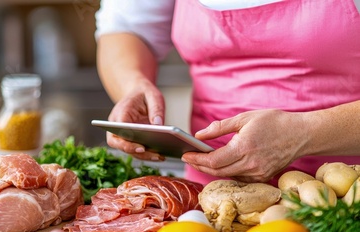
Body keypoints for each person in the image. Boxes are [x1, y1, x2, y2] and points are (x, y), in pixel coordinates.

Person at [95, 0, 360, 185]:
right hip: (211, 198)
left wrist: (305, 132)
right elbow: (126, 29)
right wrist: (133, 84)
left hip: (342, 200)